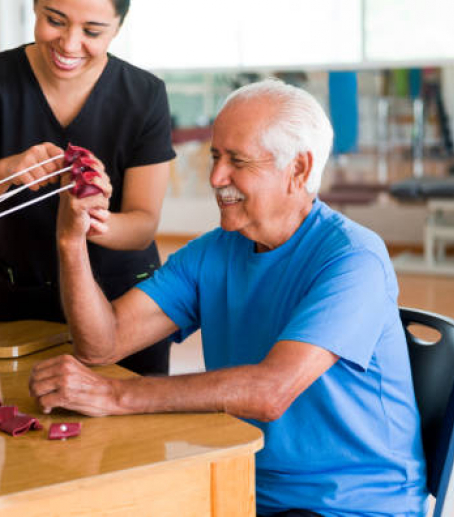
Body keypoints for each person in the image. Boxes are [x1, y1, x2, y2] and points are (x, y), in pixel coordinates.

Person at [29, 78, 428, 517]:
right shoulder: (215, 251)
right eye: (216, 156)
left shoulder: (353, 259)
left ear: (297, 169)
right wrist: (71, 242)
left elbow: (269, 391)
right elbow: (101, 344)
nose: (217, 177)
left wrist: (115, 397)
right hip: (242, 485)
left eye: (237, 161)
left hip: (348, 505)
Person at [0, 0, 175, 375]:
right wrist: (8, 170)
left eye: (93, 31)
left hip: (123, 306)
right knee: (20, 431)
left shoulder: (144, 95)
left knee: (129, 441)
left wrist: (93, 220)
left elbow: (142, 225)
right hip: (21, 298)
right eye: (54, 20)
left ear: (119, 26)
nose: (69, 44)